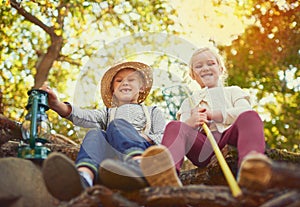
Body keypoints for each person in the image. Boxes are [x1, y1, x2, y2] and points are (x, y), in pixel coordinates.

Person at [142, 46, 267, 187]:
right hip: (203, 146)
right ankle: (166, 173)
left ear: (221, 69)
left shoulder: (233, 91)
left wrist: (214, 114)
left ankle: (252, 165)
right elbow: (182, 130)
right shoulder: (188, 102)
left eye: (211, 63)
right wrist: (191, 122)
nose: (205, 68)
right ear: (193, 75)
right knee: (174, 126)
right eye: (199, 66)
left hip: (230, 137)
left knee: (250, 117)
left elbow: (244, 111)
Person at [41, 61, 166, 201]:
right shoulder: (107, 113)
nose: (125, 83)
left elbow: (164, 137)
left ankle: (138, 165)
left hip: (143, 151)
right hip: (113, 158)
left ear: (142, 88)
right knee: (95, 133)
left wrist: (142, 137)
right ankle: (84, 177)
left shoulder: (152, 111)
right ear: (113, 90)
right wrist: (57, 105)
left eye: (131, 79)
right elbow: (83, 116)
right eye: (119, 81)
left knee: (117, 124)